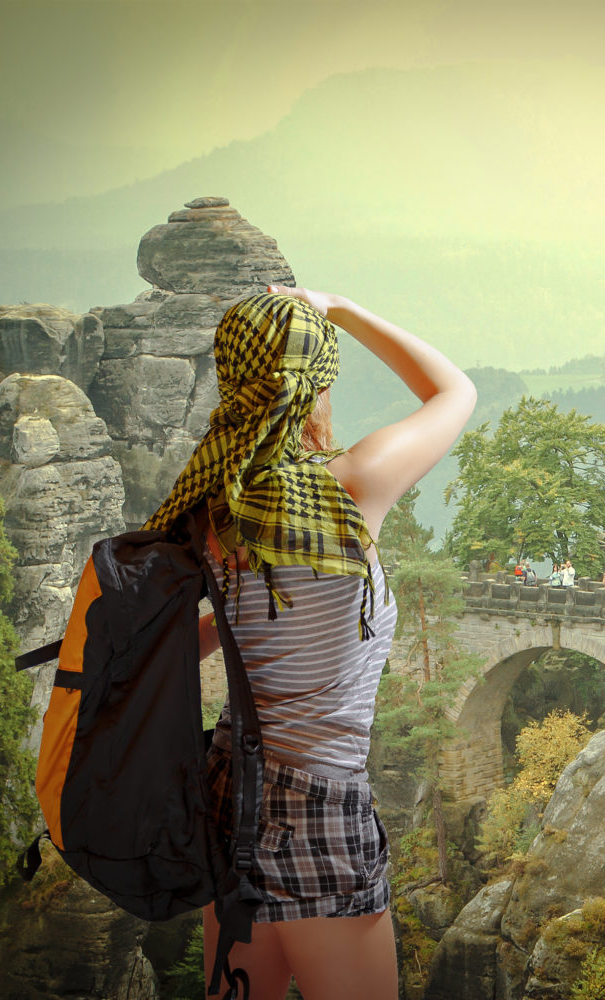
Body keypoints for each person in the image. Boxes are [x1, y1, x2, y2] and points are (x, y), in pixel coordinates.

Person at [145, 287, 475, 1000]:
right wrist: (343, 308)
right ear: (316, 385)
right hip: (322, 805)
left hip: (230, 794)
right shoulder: (353, 485)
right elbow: (454, 390)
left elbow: (213, 635)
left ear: (230, 380)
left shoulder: (213, 505)